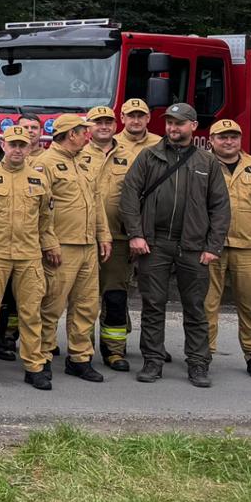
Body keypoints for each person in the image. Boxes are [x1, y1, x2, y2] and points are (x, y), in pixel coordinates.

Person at [121, 103, 230, 387]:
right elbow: (130, 195)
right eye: (169, 123)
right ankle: (152, 361)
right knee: (153, 306)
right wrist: (136, 234)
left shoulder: (207, 162)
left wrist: (213, 247)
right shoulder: (149, 156)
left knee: (195, 308)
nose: (173, 128)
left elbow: (220, 208)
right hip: (154, 245)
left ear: (193, 126)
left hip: (194, 247)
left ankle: (198, 364)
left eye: (179, 123)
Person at [0, 126, 56, 387]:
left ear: (30, 147)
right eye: (13, 144)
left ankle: (34, 365)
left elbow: (46, 218)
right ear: (3, 145)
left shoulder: (39, 180)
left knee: (31, 313)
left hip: (29, 255)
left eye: (22, 145)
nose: (17, 150)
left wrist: (44, 244)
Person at [34, 114, 111, 384]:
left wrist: (104, 235)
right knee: (51, 305)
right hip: (62, 247)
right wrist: (49, 242)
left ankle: (79, 358)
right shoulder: (44, 163)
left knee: (87, 306)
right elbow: (39, 210)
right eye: (83, 132)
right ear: (70, 134)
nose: (87, 136)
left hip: (88, 244)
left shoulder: (84, 162)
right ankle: (40, 358)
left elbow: (96, 201)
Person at [205, 119, 251, 379]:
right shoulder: (200, 166)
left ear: (240, 139)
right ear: (211, 140)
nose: (228, 142)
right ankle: (203, 353)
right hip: (209, 247)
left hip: (248, 247)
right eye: (223, 137)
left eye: (233, 137)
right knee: (205, 304)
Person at [76, 105, 139, 370]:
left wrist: (137, 234)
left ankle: (115, 351)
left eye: (108, 122)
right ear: (89, 127)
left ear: (116, 125)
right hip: (83, 238)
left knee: (115, 297)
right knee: (84, 298)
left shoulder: (133, 156)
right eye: (98, 122)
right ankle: (82, 350)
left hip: (119, 239)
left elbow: (140, 198)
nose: (103, 126)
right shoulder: (76, 154)